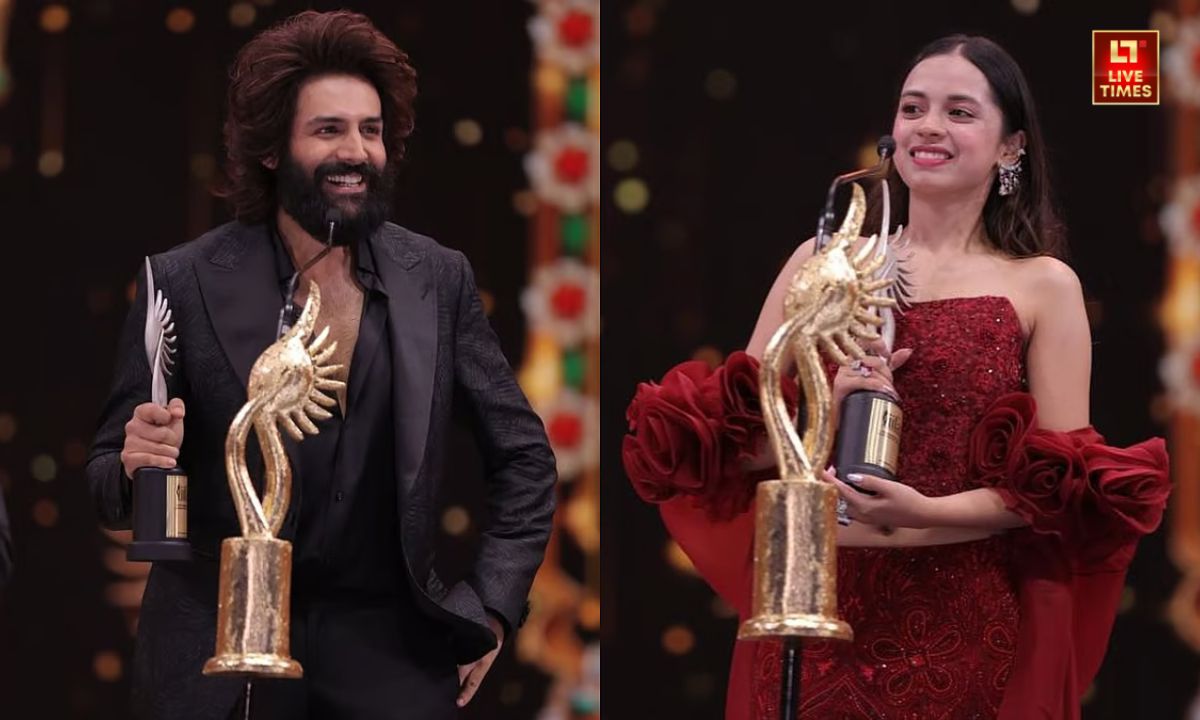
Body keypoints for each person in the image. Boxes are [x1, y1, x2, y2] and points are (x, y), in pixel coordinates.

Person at [623, 34, 1169, 719]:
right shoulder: (822, 263)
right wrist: (823, 411)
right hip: (817, 609)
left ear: (1011, 147)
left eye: (959, 111)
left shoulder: (1043, 286)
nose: (928, 126)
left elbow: (1059, 496)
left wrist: (927, 512)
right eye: (913, 108)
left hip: (962, 623)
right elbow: (728, 454)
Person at [86, 11, 557, 720]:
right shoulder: (181, 282)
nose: (356, 151)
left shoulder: (438, 278)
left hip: (393, 661)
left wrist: (490, 607)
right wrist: (131, 465)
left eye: (371, 130)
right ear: (273, 150)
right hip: (221, 658)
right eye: (329, 130)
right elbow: (106, 481)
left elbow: (525, 458)